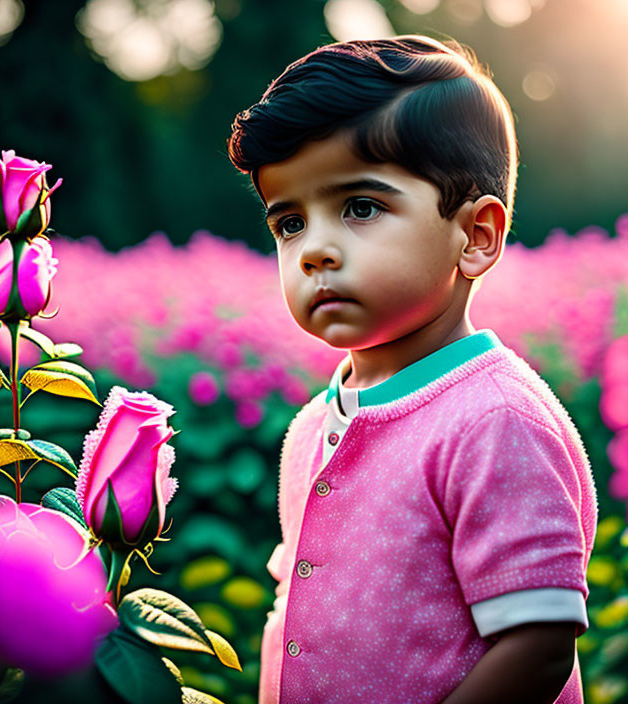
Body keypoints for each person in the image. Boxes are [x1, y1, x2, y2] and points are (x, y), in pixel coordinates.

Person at [227, 34, 597, 704]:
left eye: (359, 207)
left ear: (476, 236)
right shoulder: (316, 424)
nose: (314, 251)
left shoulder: (493, 420)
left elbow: (537, 646)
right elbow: (296, 612)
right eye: (289, 223)